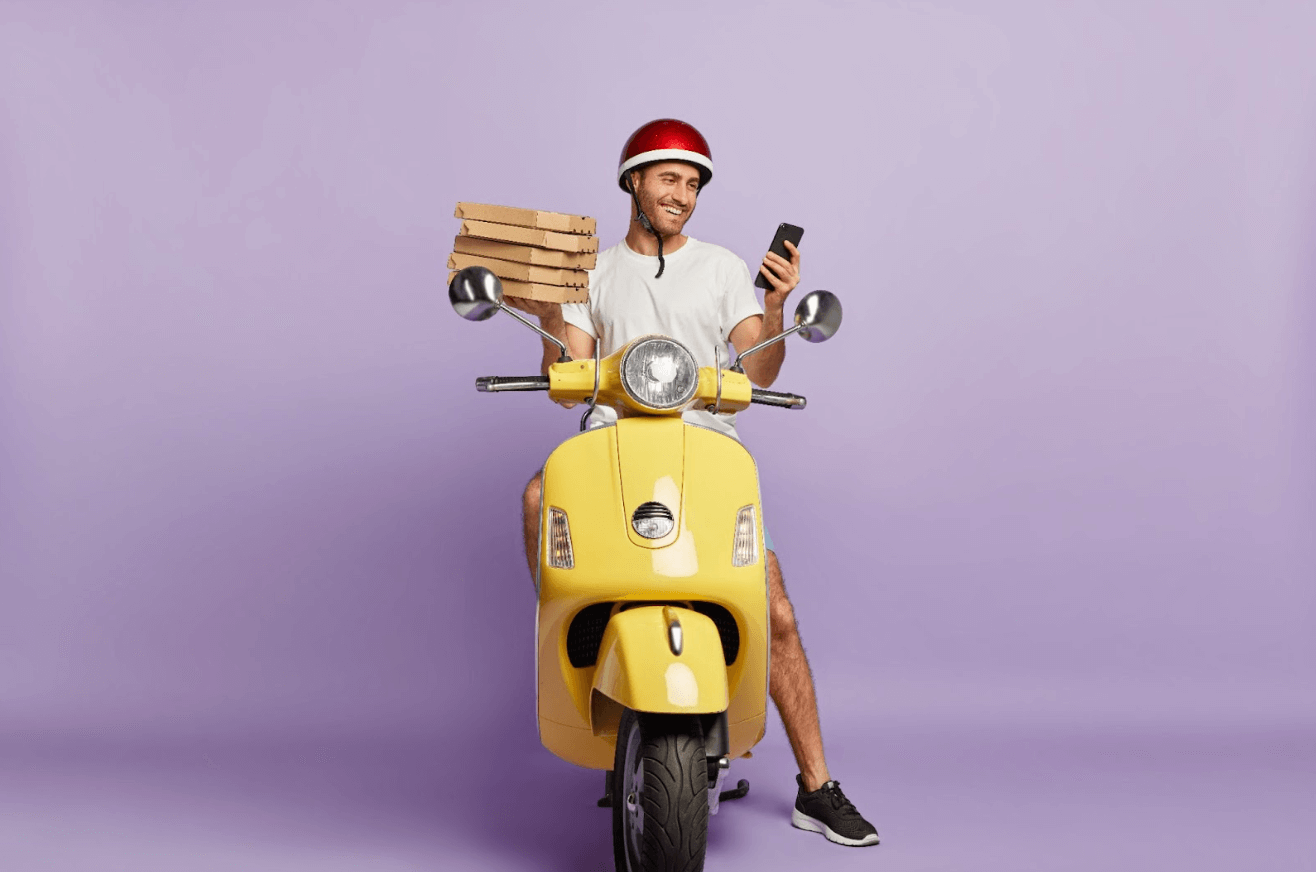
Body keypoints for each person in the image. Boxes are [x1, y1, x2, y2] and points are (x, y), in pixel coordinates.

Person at [511, 119, 879, 848]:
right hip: (610, 446)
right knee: (535, 496)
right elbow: (568, 381)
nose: (683, 195)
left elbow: (759, 370)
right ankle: (576, 638)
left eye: (693, 183)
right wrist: (548, 306)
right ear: (634, 184)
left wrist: (774, 309)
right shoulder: (594, 271)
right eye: (669, 179)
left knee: (773, 612)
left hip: (705, 451)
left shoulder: (719, 269)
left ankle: (817, 786)